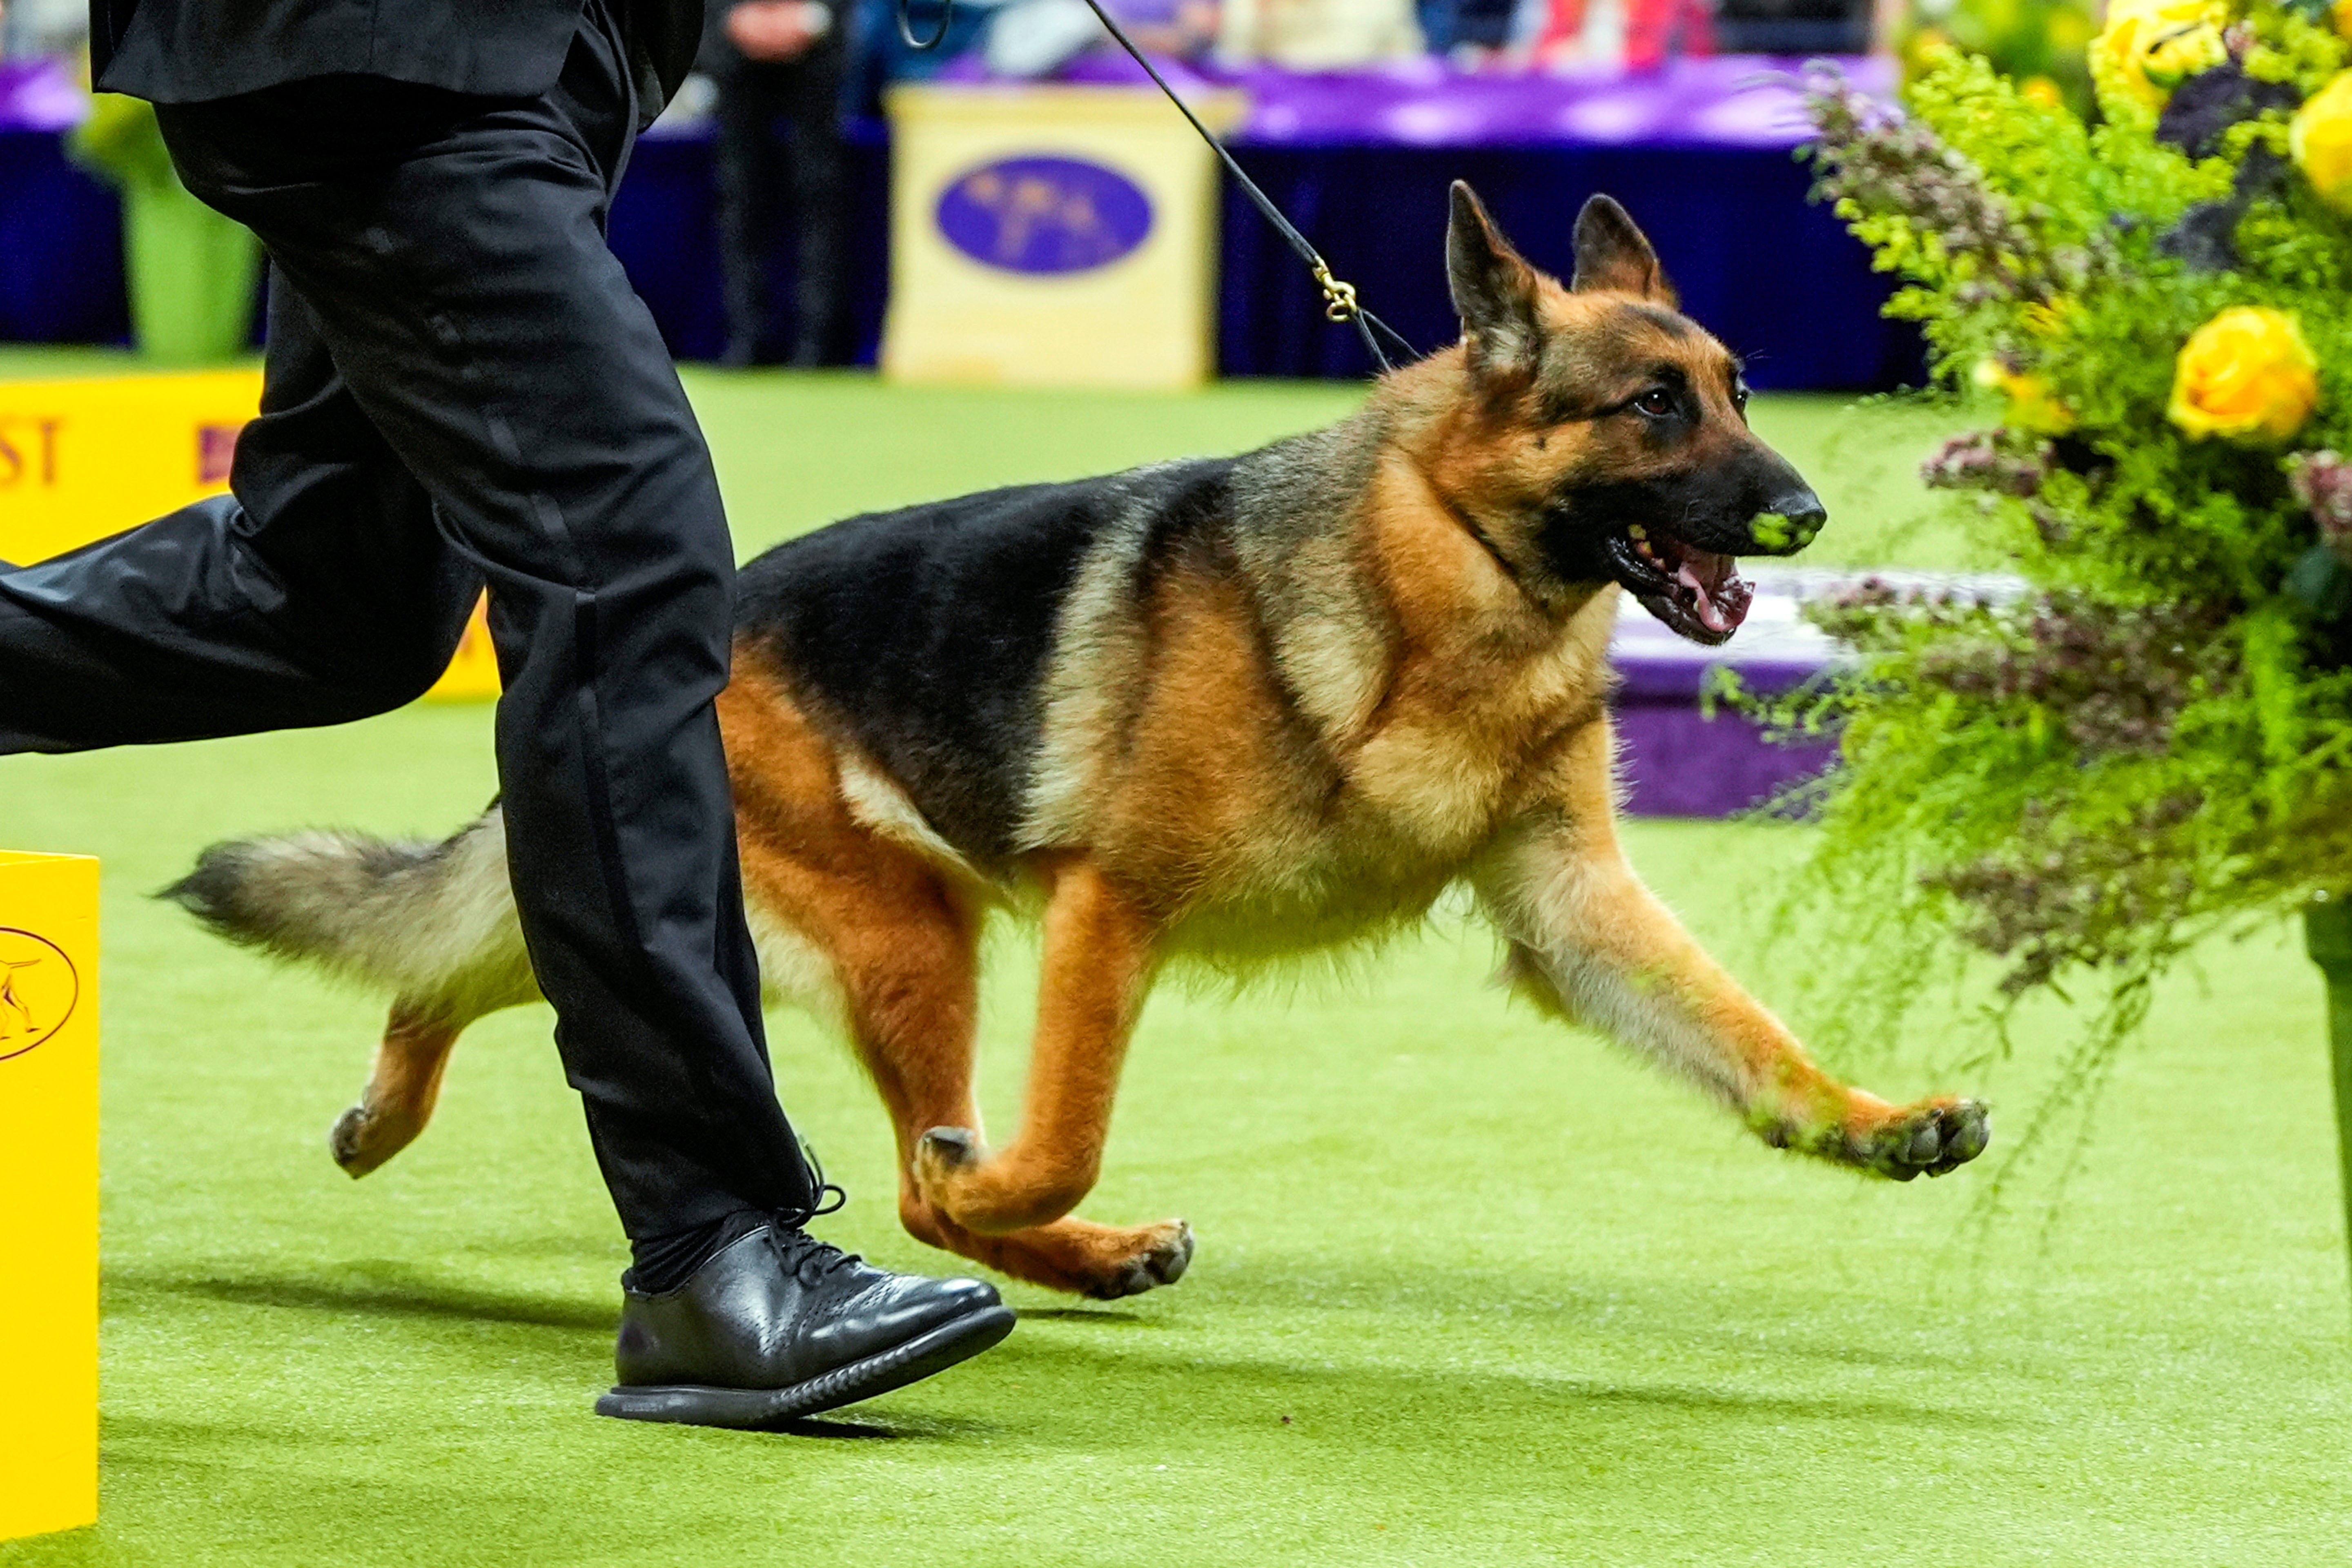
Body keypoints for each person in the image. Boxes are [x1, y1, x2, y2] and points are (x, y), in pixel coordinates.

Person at [4, 0, 1016, 1430]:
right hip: (395, 58)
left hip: (502, 65)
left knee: (331, 598)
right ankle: (711, 1245)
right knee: (628, 567)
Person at [703, 0, 855, 367]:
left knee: (819, 195)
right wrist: (732, 16)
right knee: (740, 200)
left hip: (816, 50)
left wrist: (813, 16)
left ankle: (818, 344)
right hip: (735, 50)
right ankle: (745, 339)